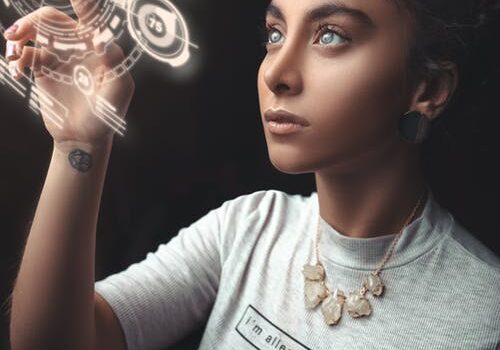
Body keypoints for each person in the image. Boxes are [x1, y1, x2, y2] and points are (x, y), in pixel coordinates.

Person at [4, 0, 500, 349]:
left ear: (428, 87)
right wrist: (80, 144)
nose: (275, 73)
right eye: (275, 34)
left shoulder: (484, 317)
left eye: (331, 35)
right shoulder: (247, 228)